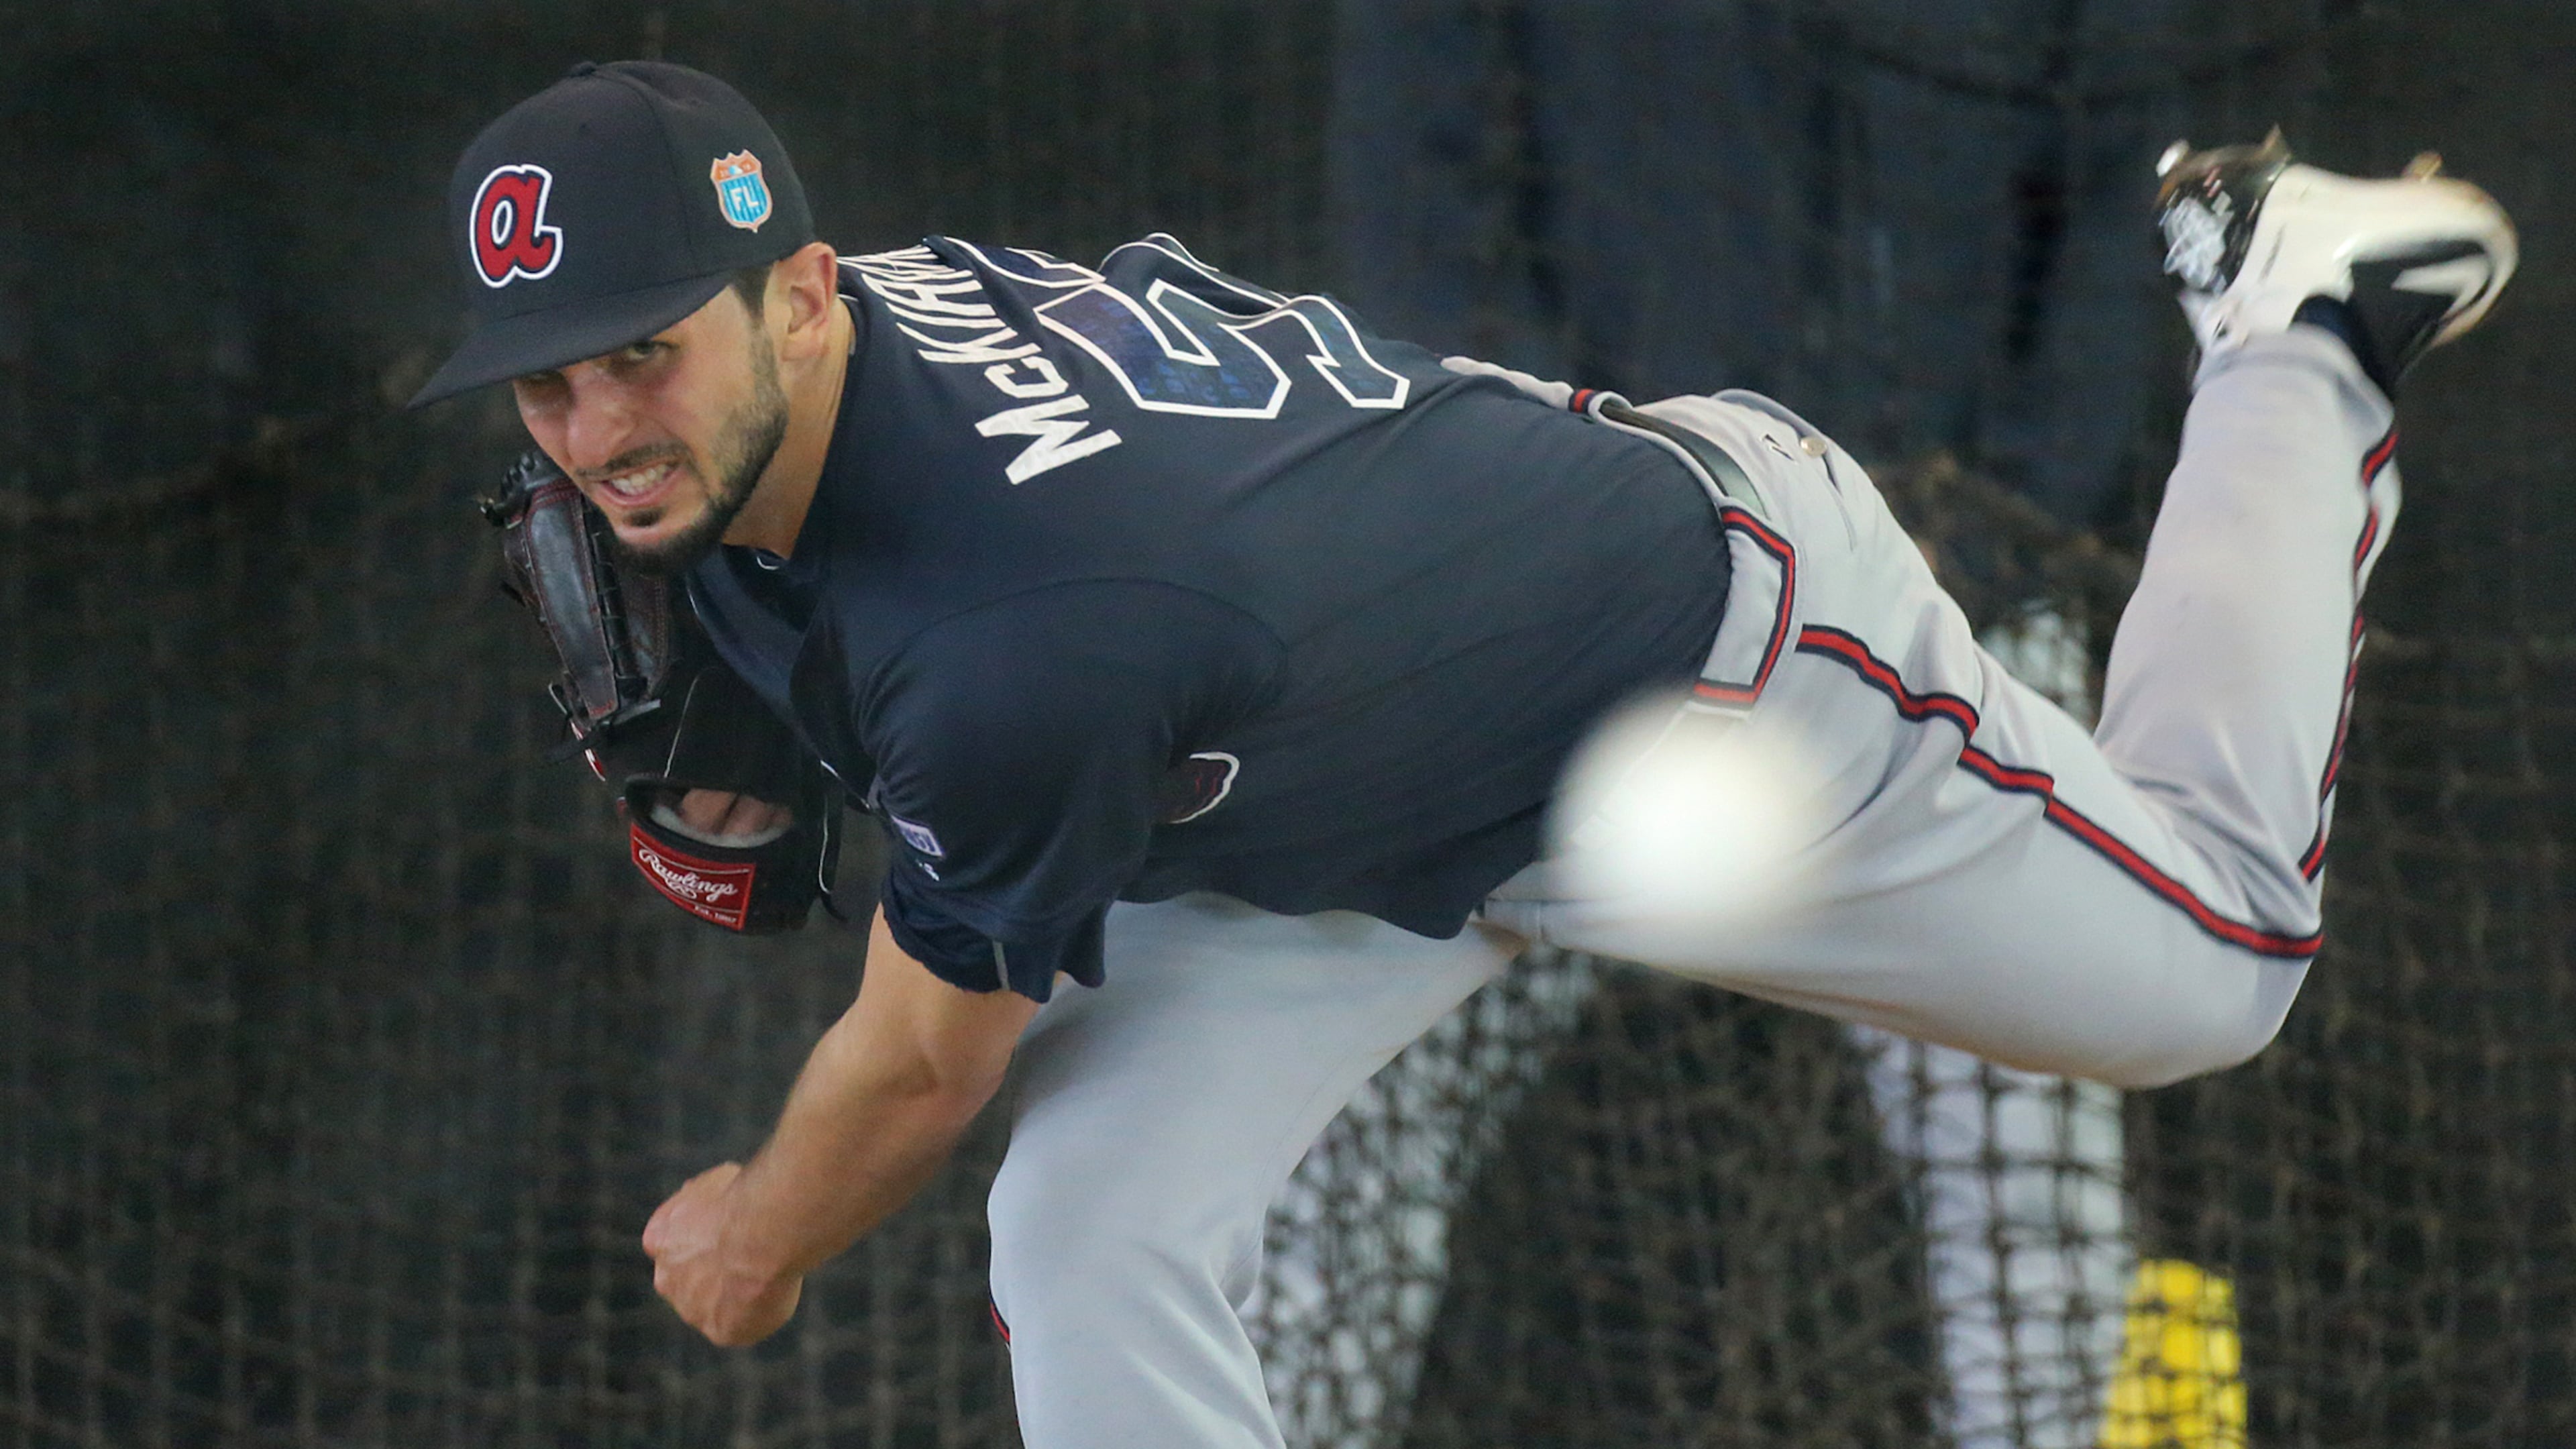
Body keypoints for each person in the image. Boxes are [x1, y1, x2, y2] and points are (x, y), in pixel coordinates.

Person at [413, 61, 2514, 1448]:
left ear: (795, 297)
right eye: (550, 384)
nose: (598, 432)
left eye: (643, 352)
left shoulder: (1020, 628)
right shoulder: (850, 357)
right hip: (1329, 795)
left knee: (2219, 972)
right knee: (1091, 1230)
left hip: (1717, 681)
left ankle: (2306, 325)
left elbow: (912, 1065)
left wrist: (759, 1240)